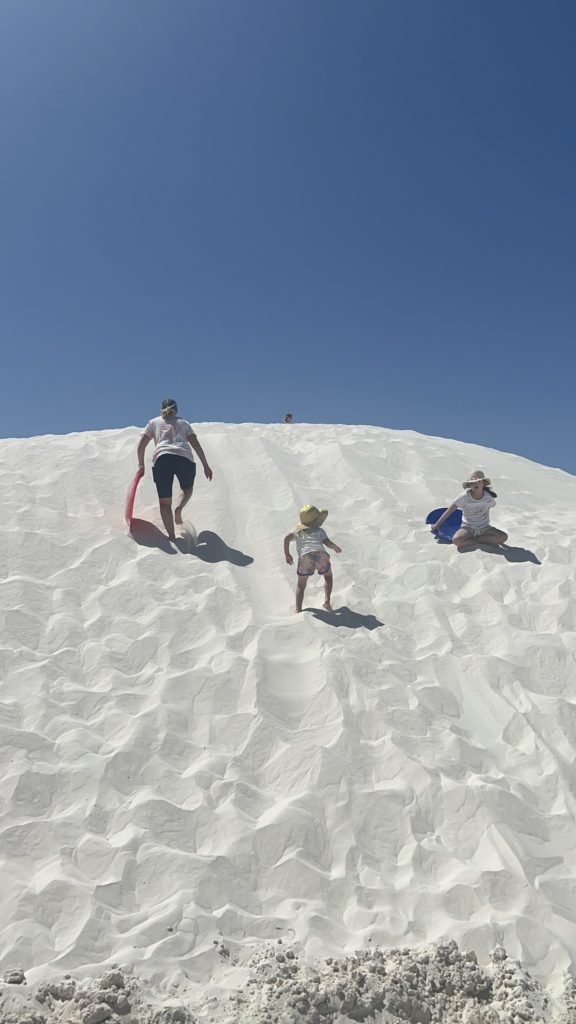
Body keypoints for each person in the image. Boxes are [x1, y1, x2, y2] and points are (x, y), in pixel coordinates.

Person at [136, 398, 213, 542]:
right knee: (187, 488)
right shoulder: (184, 423)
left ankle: (172, 537)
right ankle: (179, 508)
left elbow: (141, 445)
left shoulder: (153, 422)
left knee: (165, 504)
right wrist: (205, 465)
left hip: (163, 459)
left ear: (161, 409)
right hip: (184, 459)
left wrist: (141, 465)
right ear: (177, 410)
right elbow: (195, 443)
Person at [284, 505, 342, 613]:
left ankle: (298, 610)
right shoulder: (320, 531)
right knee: (328, 576)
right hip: (321, 555)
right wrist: (335, 547)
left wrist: (287, 554)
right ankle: (327, 601)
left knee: (301, 585)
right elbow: (327, 543)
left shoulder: (299, 532)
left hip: (306, 557)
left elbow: (287, 538)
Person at [431, 470, 508, 550]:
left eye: (478, 482)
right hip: (468, 527)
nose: (475, 484)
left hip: (485, 527)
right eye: (472, 483)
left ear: (483, 483)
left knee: (503, 537)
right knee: (456, 540)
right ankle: (478, 540)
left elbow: (490, 506)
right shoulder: (464, 497)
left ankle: (479, 539)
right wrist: (437, 525)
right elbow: (450, 511)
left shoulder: (488, 498)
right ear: (469, 486)